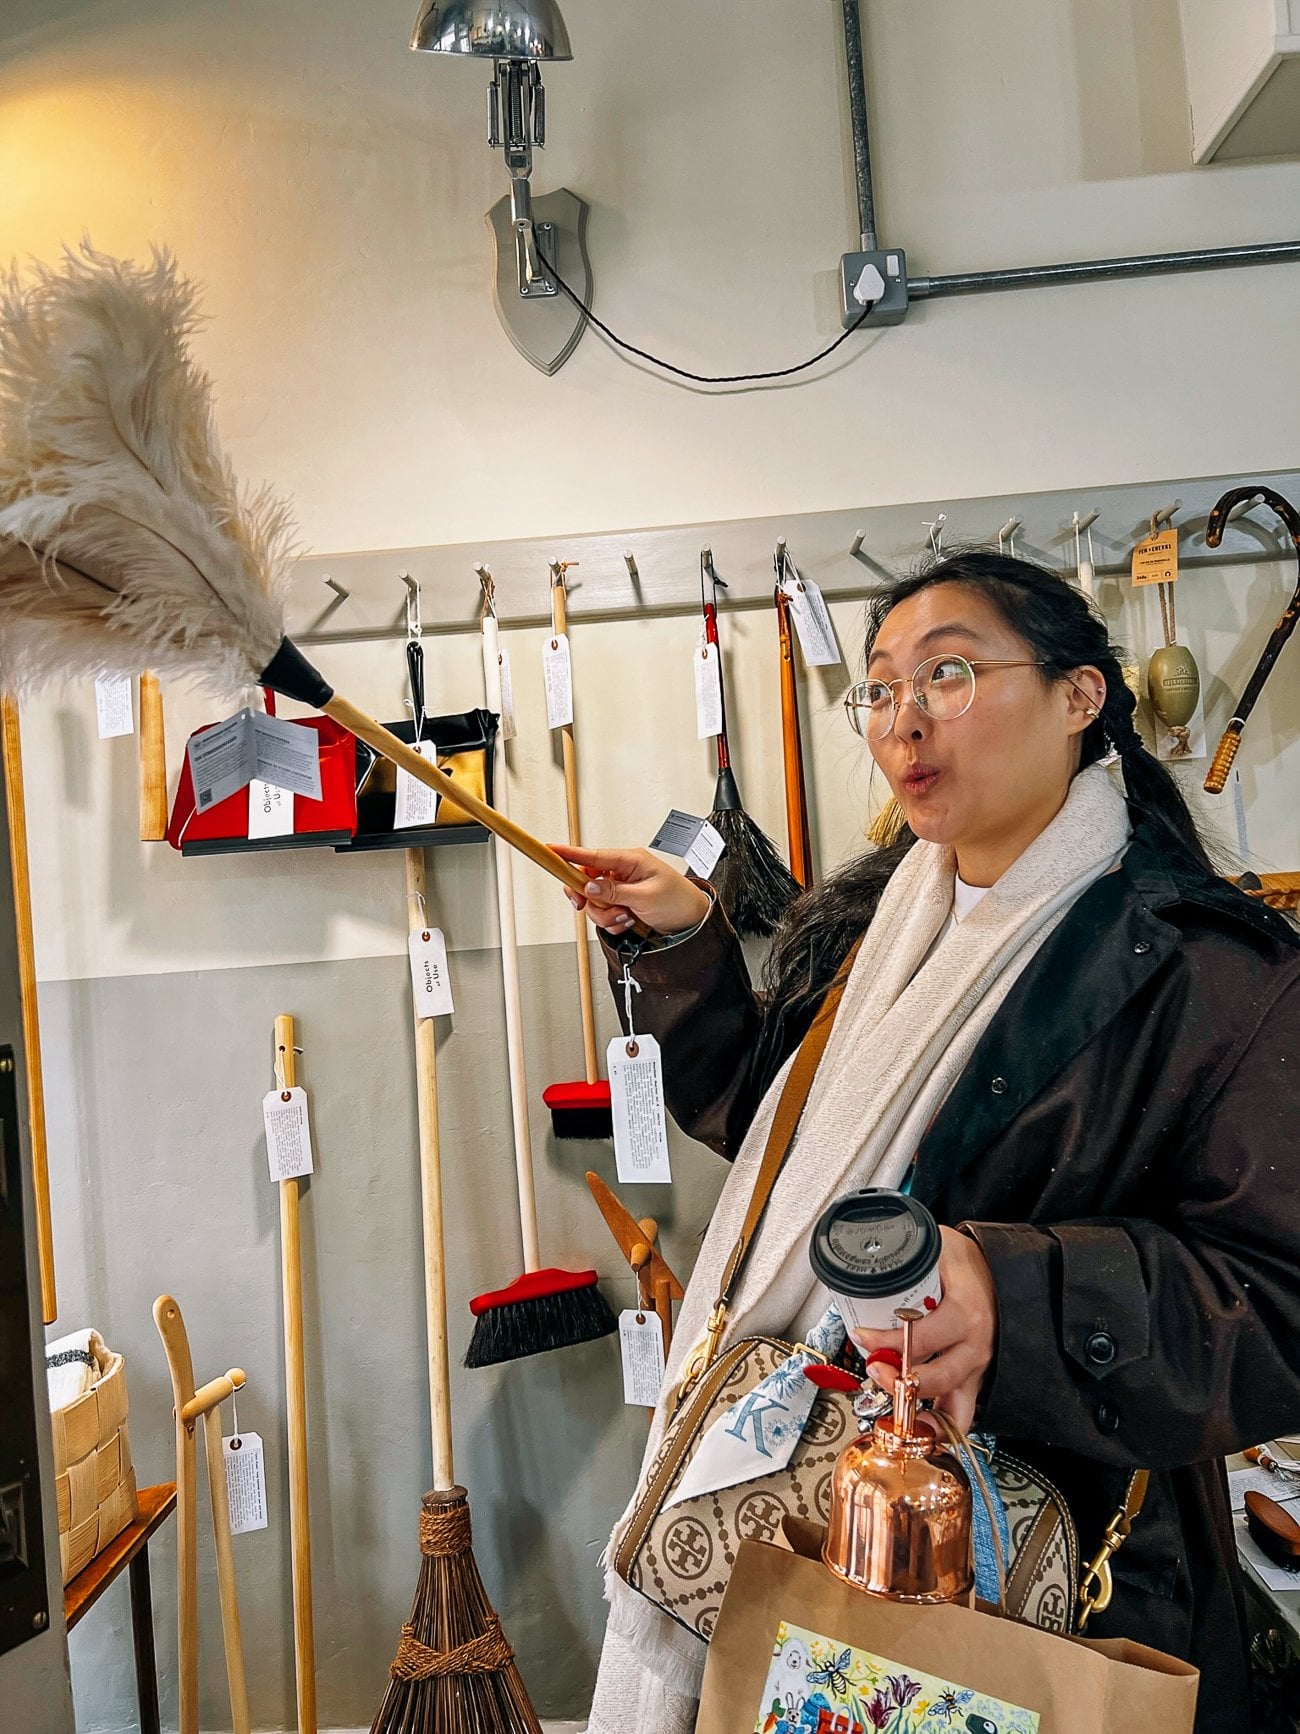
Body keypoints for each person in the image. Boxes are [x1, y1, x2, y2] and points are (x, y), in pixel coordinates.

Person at [557, 551, 1300, 1734]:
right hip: (815, 1523)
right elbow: (778, 1145)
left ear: (1078, 698)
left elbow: (1276, 1300)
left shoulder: (1208, 971)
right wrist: (686, 945)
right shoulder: (871, 928)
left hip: (1050, 1584)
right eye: (881, 688)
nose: (904, 719)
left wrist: (1013, 1297)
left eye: (948, 673)